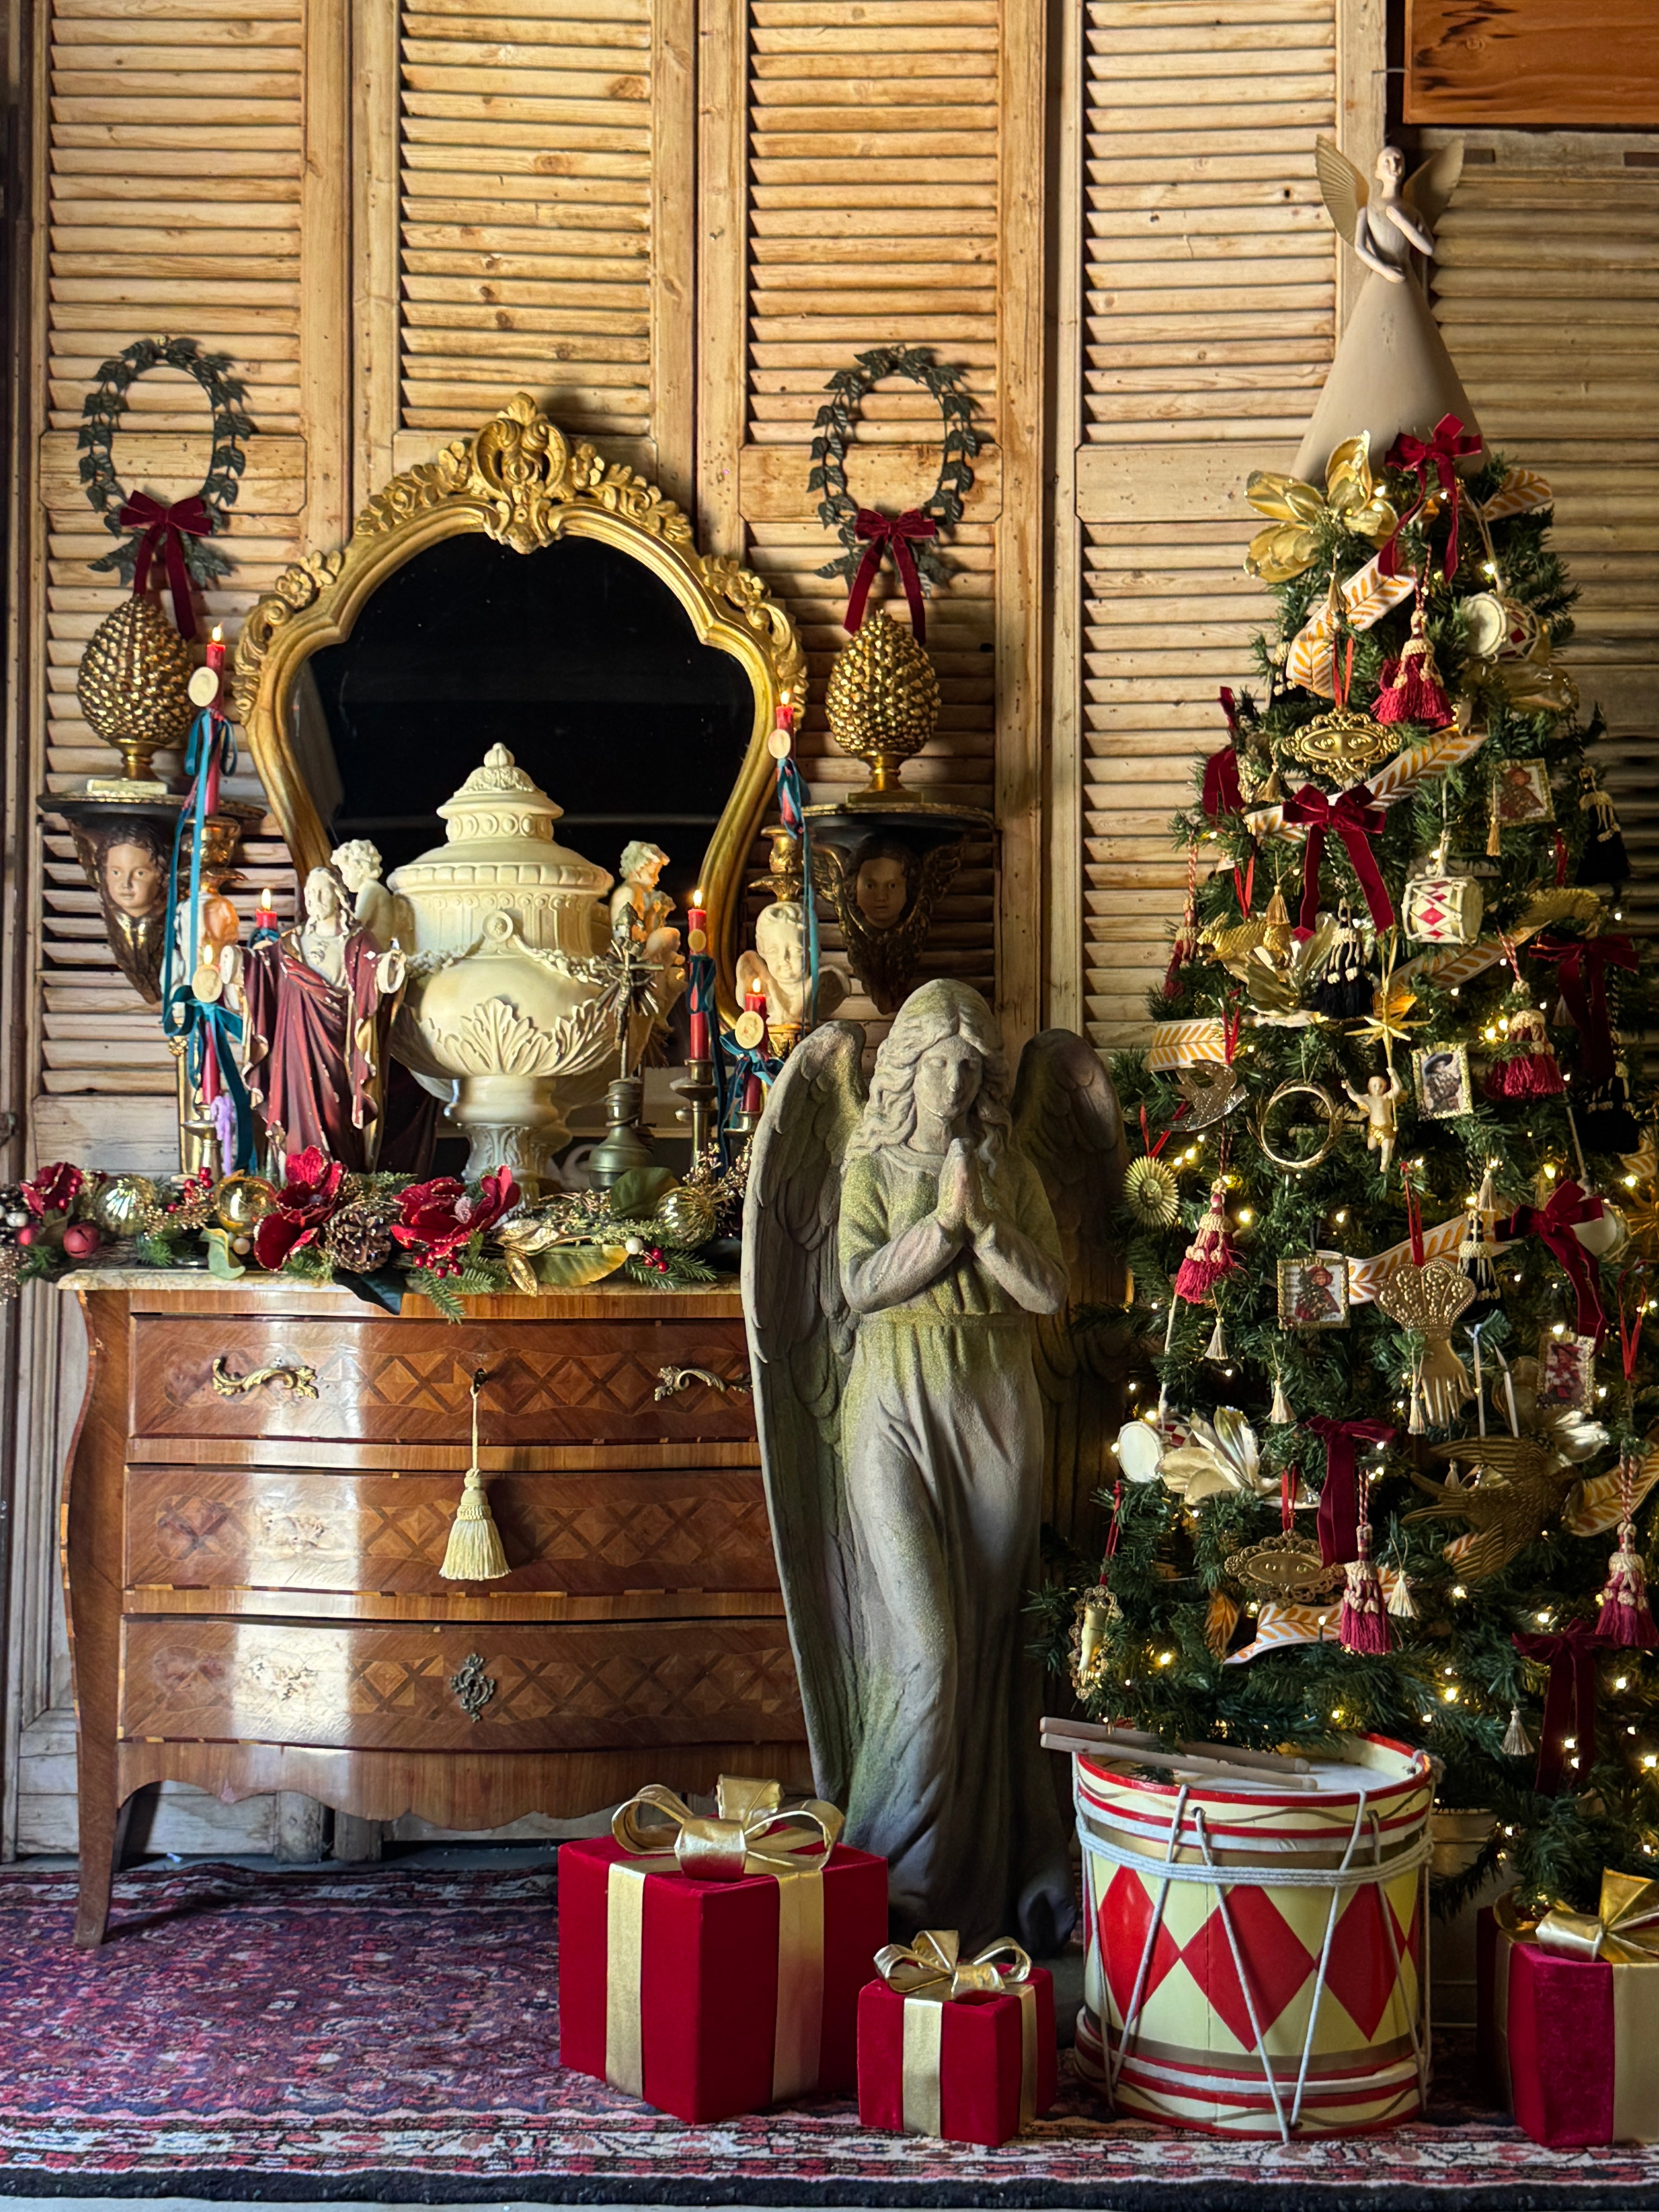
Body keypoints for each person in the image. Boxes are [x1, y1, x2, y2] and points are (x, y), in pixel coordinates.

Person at [835, 980, 1075, 1951]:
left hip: (995, 1397)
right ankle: (896, 1888)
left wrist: (983, 1224)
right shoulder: (875, 1162)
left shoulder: (1007, 1166)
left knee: (995, 1646)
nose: (955, 1081)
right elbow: (857, 1286)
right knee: (929, 1649)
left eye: (970, 1067)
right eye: (939, 1063)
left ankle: (998, 1878)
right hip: (894, 1396)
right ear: (907, 1067)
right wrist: (940, 1227)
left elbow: (1050, 1291)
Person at [242, 866, 405, 1173]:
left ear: (338, 896)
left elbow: (376, 972)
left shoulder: (357, 942)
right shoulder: (291, 944)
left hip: (338, 1044)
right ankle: (298, 1186)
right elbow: (263, 970)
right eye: (310, 893)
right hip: (294, 1051)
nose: (314, 899)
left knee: (335, 1114)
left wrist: (387, 973)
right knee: (295, 1114)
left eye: (321, 892)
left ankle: (339, 1181)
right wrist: (241, 963)